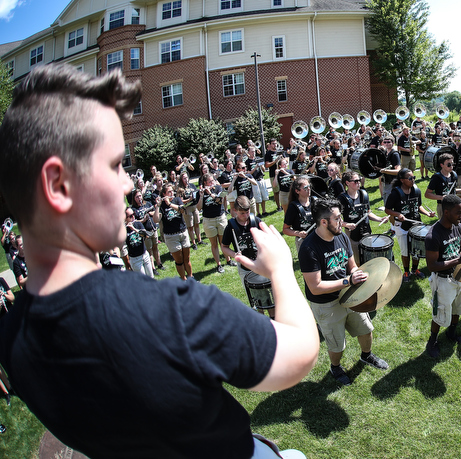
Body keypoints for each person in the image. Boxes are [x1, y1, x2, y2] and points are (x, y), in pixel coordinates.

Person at [0, 64, 318, 458]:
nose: (129, 184)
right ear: (58, 185)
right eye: (116, 165)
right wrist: (282, 271)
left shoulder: (12, 337)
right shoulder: (172, 312)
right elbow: (300, 353)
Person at [299, 199, 389, 386]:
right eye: (338, 218)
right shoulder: (309, 248)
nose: (342, 222)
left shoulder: (342, 237)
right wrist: (348, 280)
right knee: (336, 344)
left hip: (350, 294)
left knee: (366, 329)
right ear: (324, 222)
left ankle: (366, 356)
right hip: (326, 303)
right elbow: (315, 286)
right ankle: (336, 367)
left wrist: (363, 278)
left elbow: (352, 265)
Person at [424, 194, 461, 358]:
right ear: (446, 213)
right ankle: (432, 341)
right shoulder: (433, 236)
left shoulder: (460, 228)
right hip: (443, 280)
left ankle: (452, 333)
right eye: (458, 213)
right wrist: (457, 260)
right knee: (440, 313)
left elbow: (459, 250)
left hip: (459, 276)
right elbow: (432, 266)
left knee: (458, 307)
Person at [384, 168, 436, 282]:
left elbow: (418, 206)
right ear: (402, 180)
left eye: (413, 178)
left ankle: (415, 269)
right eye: (410, 178)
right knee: (405, 250)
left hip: (416, 224)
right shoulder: (395, 193)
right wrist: (397, 214)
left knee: (416, 249)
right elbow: (387, 210)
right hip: (402, 226)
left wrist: (427, 213)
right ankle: (406, 272)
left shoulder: (416, 190)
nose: (412, 180)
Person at [338, 171, 387, 266]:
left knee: (369, 257)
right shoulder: (342, 199)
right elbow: (336, 219)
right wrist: (346, 224)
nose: (358, 183)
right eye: (355, 181)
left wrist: (380, 219)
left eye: (359, 180)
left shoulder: (363, 194)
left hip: (366, 230)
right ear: (347, 183)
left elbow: (368, 213)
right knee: (356, 260)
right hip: (352, 233)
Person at [155, 184, 194, 280]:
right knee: (179, 261)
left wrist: (169, 204)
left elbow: (182, 210)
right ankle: (184, 279)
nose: (172, 193)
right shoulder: (162, 206)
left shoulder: (177, 200)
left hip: (182, 232)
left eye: (172, 191)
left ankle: (191, 277)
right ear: (164, 194)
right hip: (171, 236)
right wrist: (157, 207)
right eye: (169, 192)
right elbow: (156, 220)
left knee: (187, 258)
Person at [199, 172, 232, 273]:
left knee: (223, 242)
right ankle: (218, 264)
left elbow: (220, 201)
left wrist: (210, 194)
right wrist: (201, 196)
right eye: (210, 181)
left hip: (220, 217)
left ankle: (228, 260)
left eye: (212, 180)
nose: (212, 182)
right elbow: (199, 207)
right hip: (209, 220)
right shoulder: (201, 192)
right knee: (214, 244)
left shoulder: (218, 188)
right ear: (205, 183)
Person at [425, 153, 461, 218]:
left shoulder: (454, 175)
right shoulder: (436, 178)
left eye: (453, 164)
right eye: (449, 165)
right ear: (441, 165)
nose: (451, 166)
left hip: (454, 205)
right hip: (443, 206)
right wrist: (441, 197)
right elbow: (427, 194)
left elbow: (452, 190)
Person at [283, 176, 316, 254]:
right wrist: (298, 233)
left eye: (309, 186)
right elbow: (285, 229)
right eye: (305, 187)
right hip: (303, 241)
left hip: (318, 238)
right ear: (297, 191)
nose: (308, 189)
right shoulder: (293, 207)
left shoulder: (315, 201)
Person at [124, 207, 154, 278]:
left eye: (133, 214)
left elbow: (146, 235)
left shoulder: (137, 224)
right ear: (125, 218)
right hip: (135, 259)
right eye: (130, 216)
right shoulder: (124, 230)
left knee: (151, 277)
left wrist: (134, 229)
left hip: (144, 254)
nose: (133, 217)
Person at [178, 172, 203, 250]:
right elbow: (180, 201)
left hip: (194, 206)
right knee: (190, 226)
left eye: (187, 178)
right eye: (184, 178)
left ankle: (199, 240)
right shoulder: (180, 189)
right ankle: (193, 243)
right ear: (181, 179)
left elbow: (196, 194)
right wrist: (189, 199)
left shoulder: (191, 185)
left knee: (197, 224)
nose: (186, 179)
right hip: (187, 208)